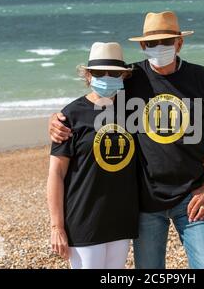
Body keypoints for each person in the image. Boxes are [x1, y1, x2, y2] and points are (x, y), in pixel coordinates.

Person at [49, 11, 204, 269]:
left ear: (179, 43)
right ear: (142, 46)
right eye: (151, 43)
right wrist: (57, 119)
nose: (159, 48)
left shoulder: (201, 78)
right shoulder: (129, 78)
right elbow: (93, 102)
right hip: (144, 203)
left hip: (192, 196)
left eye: (166, 42)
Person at [47, 42, 138, 269]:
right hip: (83, 221)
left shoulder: (133, 110)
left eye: (114, 73)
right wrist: (56, 227)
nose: (106, 77)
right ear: (88, 76)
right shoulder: (70, 116)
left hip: (121, 219)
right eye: (99, 72)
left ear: (124, 76)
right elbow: (56, 174)